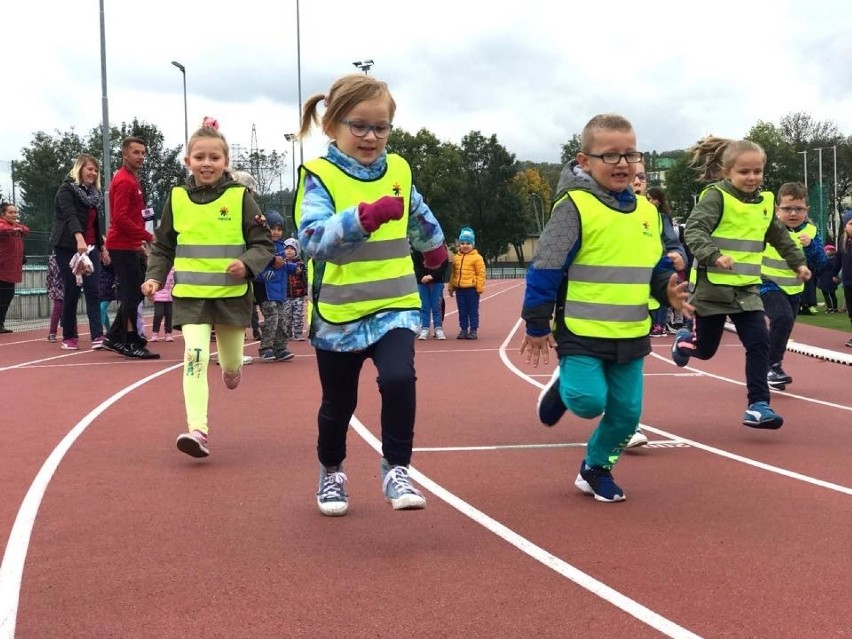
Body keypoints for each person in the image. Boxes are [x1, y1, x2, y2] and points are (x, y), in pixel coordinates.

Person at [294, 73, 448, 516]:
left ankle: (397, 467)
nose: (370, 137)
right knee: (338, 405)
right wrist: (362, 219)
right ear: (333, 126)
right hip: (338, 315)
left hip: (394, 305)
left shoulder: (398, 169)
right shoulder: (319, 175)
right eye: (359, 126)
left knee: (399, 379)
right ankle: (332, 471)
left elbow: (418, 214)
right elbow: (313, 238)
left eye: (381, 128)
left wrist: (435, 251)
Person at [521, 113, 691, 502]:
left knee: (628, 414)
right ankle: (565, 388)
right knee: (588, 402)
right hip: (581, 331)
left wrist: (669, 290)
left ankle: (596, 468)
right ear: (584, 161)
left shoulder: (649, 212)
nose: (622, 163)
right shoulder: (574, 207)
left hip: (632, 331)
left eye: (630, 154)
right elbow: (545, 265)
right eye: (610, 155)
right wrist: (536, 323)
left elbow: (656, 267)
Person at [142, 118, 274, 458]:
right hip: (191, 296)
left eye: (214, 157)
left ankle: (233, 369)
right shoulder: (177, 199)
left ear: (225, 162)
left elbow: (263, 244)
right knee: (195, 355)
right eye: (199, 157)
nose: (207, 163)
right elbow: (162, 245)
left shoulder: (241, 197)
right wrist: (155, 276)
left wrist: (246, 265)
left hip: (230, 297)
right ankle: (197, 429)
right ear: (188, 161)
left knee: (230, 363)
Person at [671, 137, 810, 429]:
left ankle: (758, 405)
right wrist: (714, 255)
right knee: (706, 351)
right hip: (713, 288)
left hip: (748, 288)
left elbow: (779, 236)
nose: (752, 178)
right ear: (727, 172)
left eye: (757, 171)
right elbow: (694, 231)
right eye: (744, 172)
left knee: (759, 342)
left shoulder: (765, 202)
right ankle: (685, 343)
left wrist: (798, 262)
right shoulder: (716, 197)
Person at [759, 182, 826, 390]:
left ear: (807, 210)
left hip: (795, 288)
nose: (793, 213)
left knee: (785, 326)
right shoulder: (767, 228)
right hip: (766, 283)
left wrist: (811, 246)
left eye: (799, 209)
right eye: (787, 209)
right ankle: (772, 366)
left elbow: (822, 262)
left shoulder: (812, 232)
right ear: (777, 209)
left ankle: (767, 365)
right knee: (782, 317)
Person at [102, 137, 159, 359]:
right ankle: (129, 340)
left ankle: (117, 337)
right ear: (125, 154)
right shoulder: (124, 181)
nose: (141, 156)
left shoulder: (132, 179)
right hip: (122, 245)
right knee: (131, 294)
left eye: (143, 152)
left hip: (130, 244)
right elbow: (121, 218)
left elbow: (134, 216)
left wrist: (140, 242)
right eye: (136, 152)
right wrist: (147, 237)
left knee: (134, 293)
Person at [49, 154, 108, 349]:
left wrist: (102, 248)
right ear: (80, 169)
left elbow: (95, 224)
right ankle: (69, 336)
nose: (93, 173)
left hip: (90, 247)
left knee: (93, 290)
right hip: (68, 246)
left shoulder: (94, 195)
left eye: (96, 170)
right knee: (72, 290)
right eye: (90, 169)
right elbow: (70, 215)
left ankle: (97, 336)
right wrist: (78, 238)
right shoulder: (66, 190)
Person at [255, 210, 295, 361]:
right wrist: (261, 275)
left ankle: (280, 348)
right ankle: (266, 348)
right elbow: (256, 263)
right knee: (272, 317)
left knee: (281, 319)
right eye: (273, 228)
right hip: (266, 291)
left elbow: (283, 265)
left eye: (279, 229)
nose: (276, 232)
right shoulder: (262, 246)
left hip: (280, 291)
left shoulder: (282, 247)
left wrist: (292, 268)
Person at [448, 227, 486, 339]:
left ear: (473, 244)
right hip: (460, 289)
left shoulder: (477, 258)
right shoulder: (456, 258)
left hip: (472, 289)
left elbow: (481, 273)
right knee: (462, 311)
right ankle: (463, 329)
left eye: (468, 243)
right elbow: (453, 274)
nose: (465, 245)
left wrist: (479, 287)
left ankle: (473, 330)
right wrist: (451, 287)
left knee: (472, 311)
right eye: (462, 243)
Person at [0, 203, 29, 333]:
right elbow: (2, 229)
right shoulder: (3, 225)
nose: (14, 215)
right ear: (3, 214)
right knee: (2, 297)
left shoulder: (15, 226)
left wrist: (17, 228)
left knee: (7, 297)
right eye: (11, 212)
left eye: (15, 212)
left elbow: (26, 230)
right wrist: (14, 229)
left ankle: (0, 324)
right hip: (2, 268)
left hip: (12, 270)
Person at [412, 244, 449, 340]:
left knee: (437, 305)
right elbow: (414, 264)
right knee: (424, 305)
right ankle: (425, 328)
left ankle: (438, 328)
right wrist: (421, 277)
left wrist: (432, 276)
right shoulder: (417, 246)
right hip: (422, 282)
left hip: (437, 281)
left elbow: (444, 264)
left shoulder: (439, 245)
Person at [282, 237, 308, 343]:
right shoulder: (281, 263)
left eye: (292, 248)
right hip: (286, 295)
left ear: (296, 250)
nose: (288, 250)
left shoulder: (300, 264)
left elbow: (304, 278)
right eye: (287, 248)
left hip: (298, 295)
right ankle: (287, 334)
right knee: (286, 315)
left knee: (298, 315)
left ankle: (298, 333)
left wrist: (306, 292)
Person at [836, 211, 852, 347]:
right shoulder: (843, 241)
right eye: (851, 224)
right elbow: (839, 258)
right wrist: (835, 274)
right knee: (851, 310)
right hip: (848, 280)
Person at [150, 267, 175, 341]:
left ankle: (168, 333)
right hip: (158, 296)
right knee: (158, 314)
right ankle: (155, 333)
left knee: (169, 315)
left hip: (170, 296)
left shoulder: (173, 271)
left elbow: (175, 282)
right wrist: (152, 295)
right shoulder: (157, 271)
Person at [46, 253, 64, 341]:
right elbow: (49, 274)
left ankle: (73, 332)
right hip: (57, 286)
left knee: (70, 309)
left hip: (68, 286)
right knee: (57, 308)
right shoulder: (53, 258)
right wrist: (49, 286)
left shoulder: (71, 255)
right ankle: (52, 333)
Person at [818, 244, 839, 313]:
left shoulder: (826, 260)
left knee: (827, 294)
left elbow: (821, 267)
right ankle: (834, 308)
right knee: (832, 294)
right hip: (830, 278)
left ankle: (830, 307)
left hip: (825, 278)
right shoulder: (836, 259)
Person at [99, 258, 116, 334]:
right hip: (99, 288)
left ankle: (99, 331)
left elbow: (116, 272)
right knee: (103, 311)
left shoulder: (111, 262)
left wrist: (115, 283)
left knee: (102, 308)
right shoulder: (96, 261)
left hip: (108, 288)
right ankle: (109, 331)